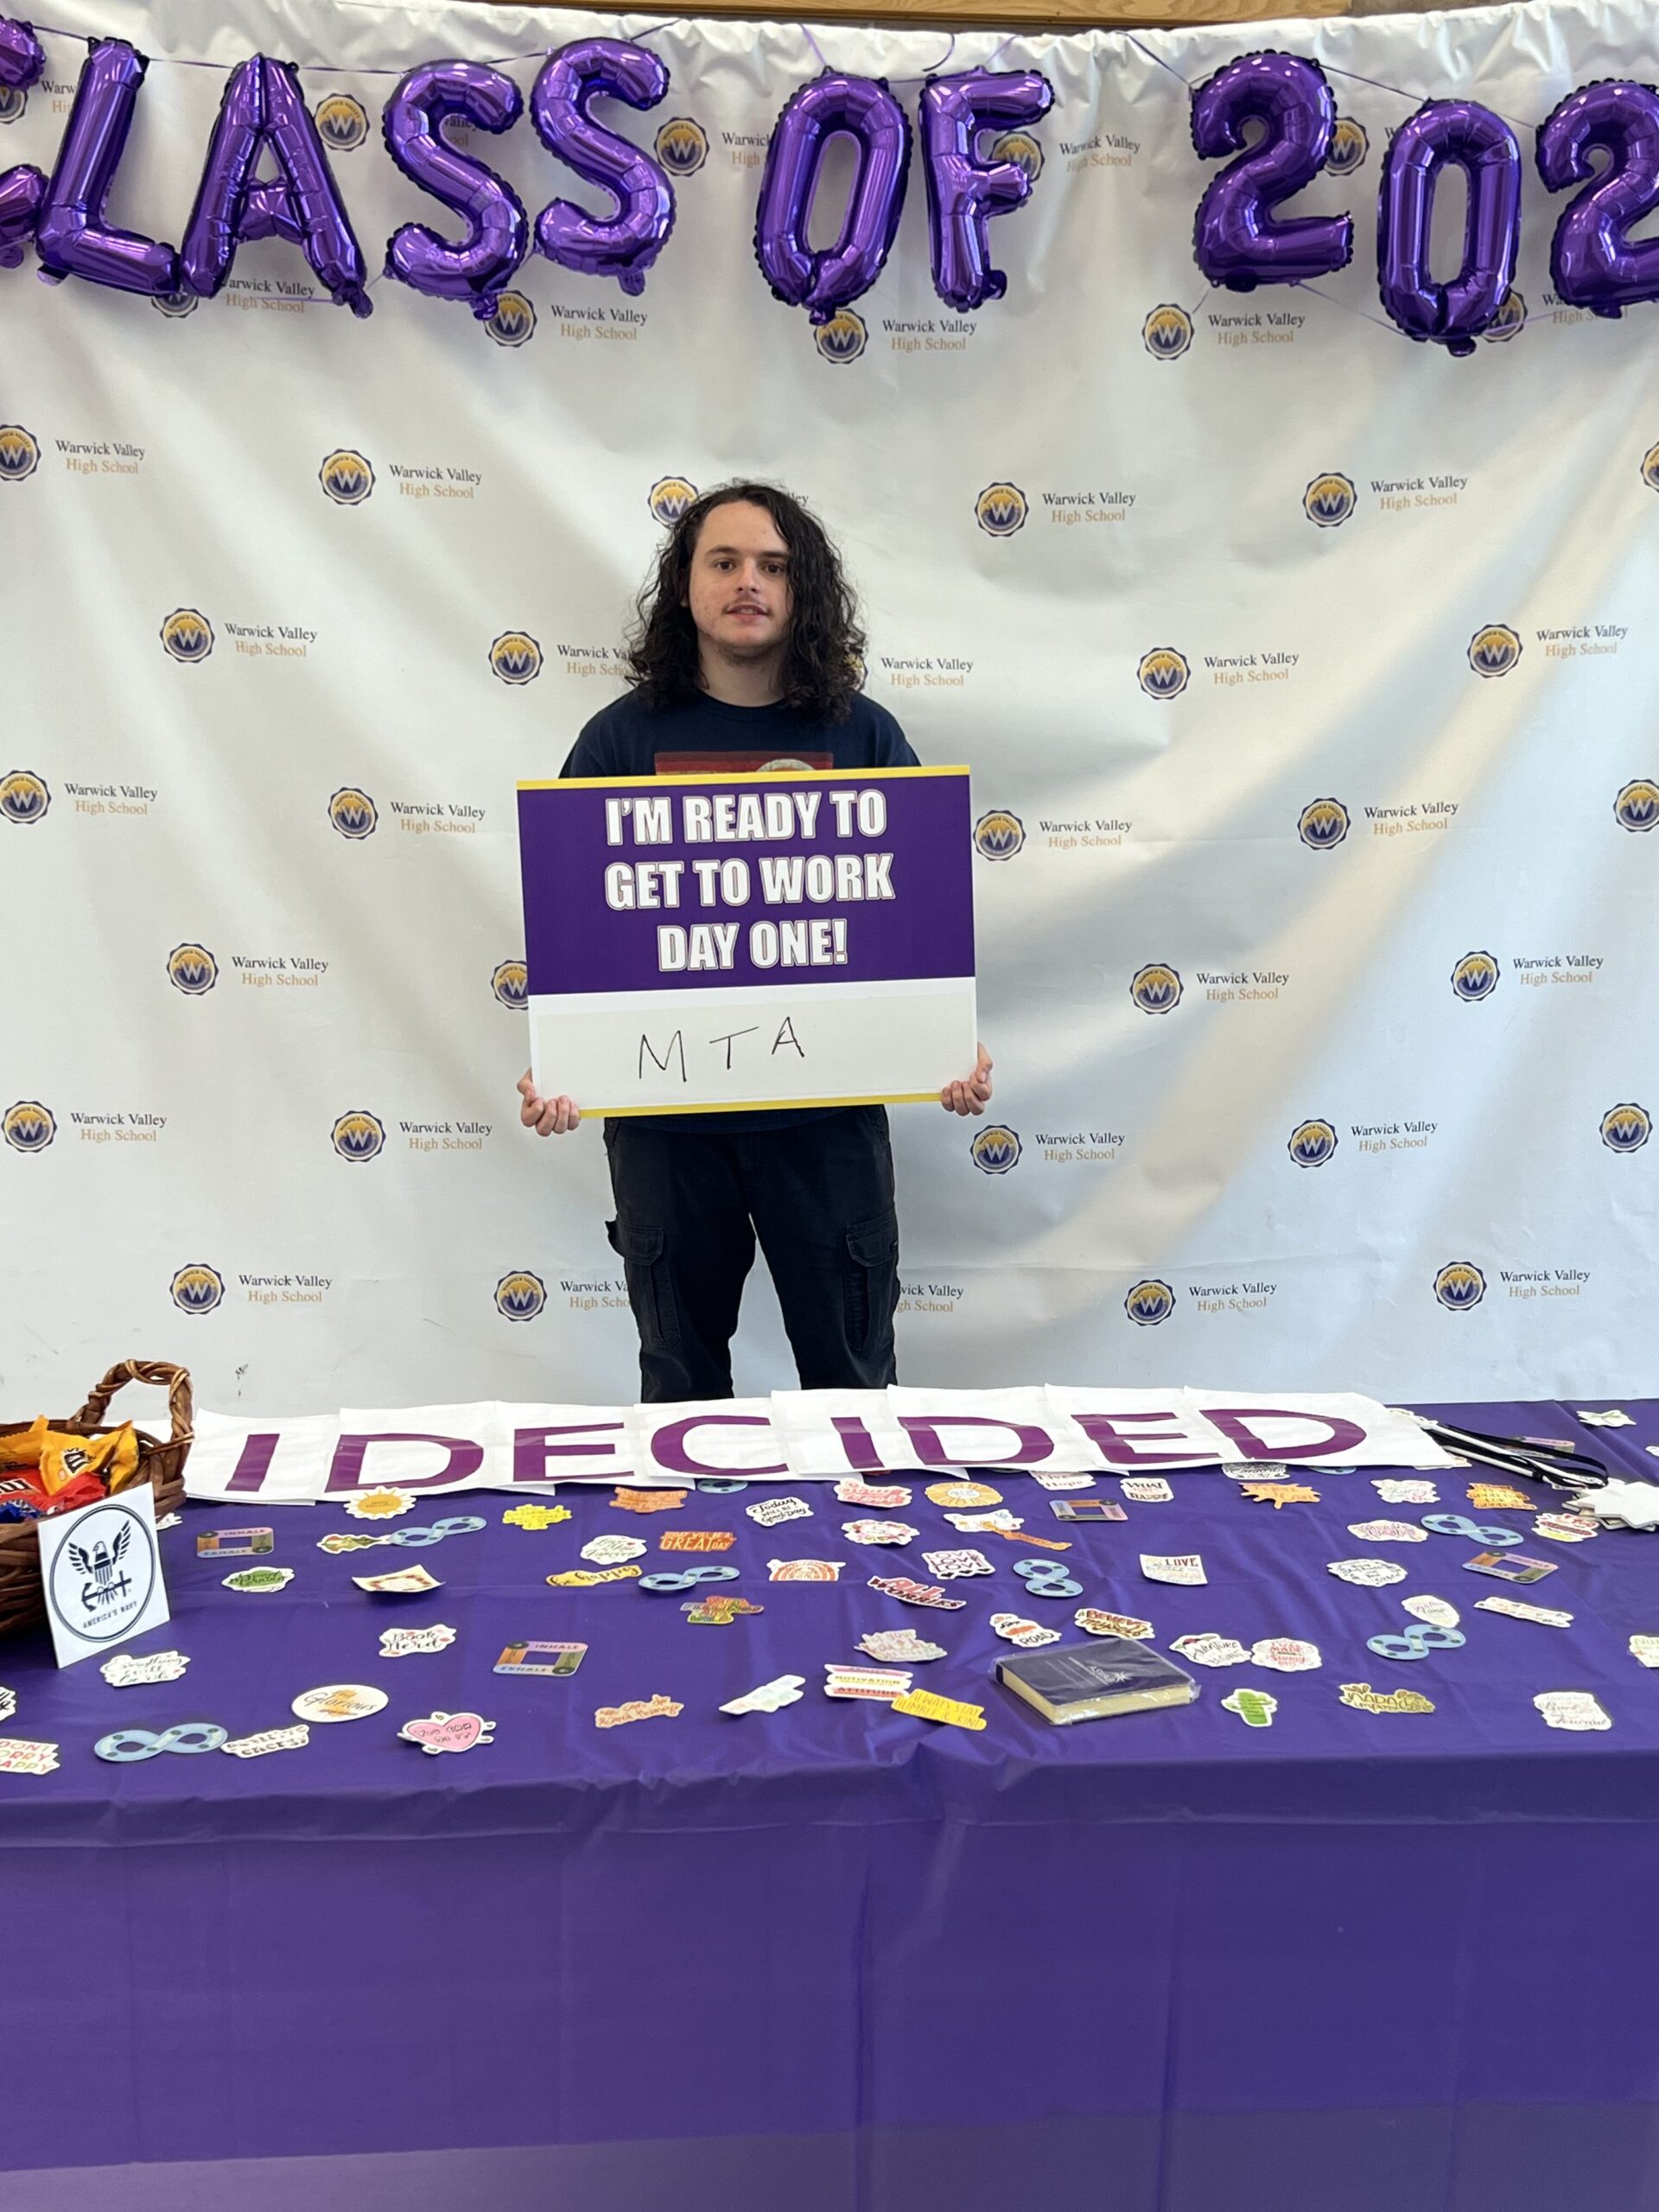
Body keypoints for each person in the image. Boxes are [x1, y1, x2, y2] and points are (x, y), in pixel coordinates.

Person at [518, 480, 992, 1402]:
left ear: (803, 589)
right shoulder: (618, 742)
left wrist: (946, 1043)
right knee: (682, 1385)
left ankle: (865, 1548)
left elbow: (909, 924)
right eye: (724, 561)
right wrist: (561, 1063)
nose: (749, 582)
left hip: (827, 1128)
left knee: (853, 1389)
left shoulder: (862, 736)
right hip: (667, 1131)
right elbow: (585, 929)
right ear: (684, 584)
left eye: (774, 566)